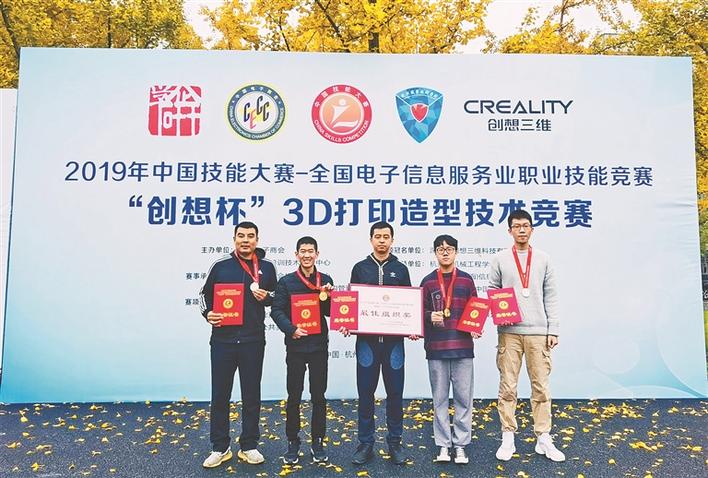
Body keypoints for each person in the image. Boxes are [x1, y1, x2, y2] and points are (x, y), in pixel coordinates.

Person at [199, 221, 277, 468]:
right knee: (220, 394)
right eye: (241, 236)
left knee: (251, 394)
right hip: (222, 341)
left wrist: (267, 297)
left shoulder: (267, 267)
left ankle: (249, 445)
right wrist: (208, 313)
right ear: (234, 238)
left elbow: (278, 297)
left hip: (253, 340)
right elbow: (203, 295)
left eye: (250, 236)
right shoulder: (220, 265)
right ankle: (220, 447)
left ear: (257, 239)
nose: (245, 240)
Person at [489, 209, 565, 462]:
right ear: (509, 230)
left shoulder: (543, 259)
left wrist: (553, 329)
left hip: (538, 333)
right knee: (507, 386)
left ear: (532, 229)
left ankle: (543, 437)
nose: (521, 230)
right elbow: (493, 291)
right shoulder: (500, 259)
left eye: (525, 225)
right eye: (516, 226)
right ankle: (507, 435)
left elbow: (551, 295)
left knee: (541, 386)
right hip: (509, 332)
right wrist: (499, 316)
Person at [342, 221, 415, 466]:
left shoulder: (401, 269)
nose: (382, 240)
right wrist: (348, 322)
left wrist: (412, 326)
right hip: (367, 344)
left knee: (395, 394)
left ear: (392, 240)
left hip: (394, 344)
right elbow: (351, 303)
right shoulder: (360, 268)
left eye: (386, 236)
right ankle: (365, 444)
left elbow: (409, 304)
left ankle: (395, 443)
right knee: (365, 394)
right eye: (377, 236)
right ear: (371, 239)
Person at [271, 236, 334, 464]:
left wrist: (328, 296)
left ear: (317, 254)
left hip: (319, 346)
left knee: (319, 396)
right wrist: (291, 329)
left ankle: (318, 441)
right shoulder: (286, 282)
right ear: (296, 254)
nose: (307, 255)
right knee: (294, 396)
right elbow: (276, 311)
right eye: (303, 251)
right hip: (296, 346)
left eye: (311, 251)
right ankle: (293, 441)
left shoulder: (325, 280)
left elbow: (330, 312)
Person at [420, 234, 479, 464]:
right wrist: (429, 316)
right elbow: (418, 312)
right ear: (435, 253)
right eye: (440, 249)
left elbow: (476, 309)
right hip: (436, 349)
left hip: (463, 348)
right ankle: (443, 445)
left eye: (450, 248)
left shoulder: (466, 280)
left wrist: (476, 327)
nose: (445, 252)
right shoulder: (427, 282)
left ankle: (461, 445)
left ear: (456, 252)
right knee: (440, 400)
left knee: (464, 399)